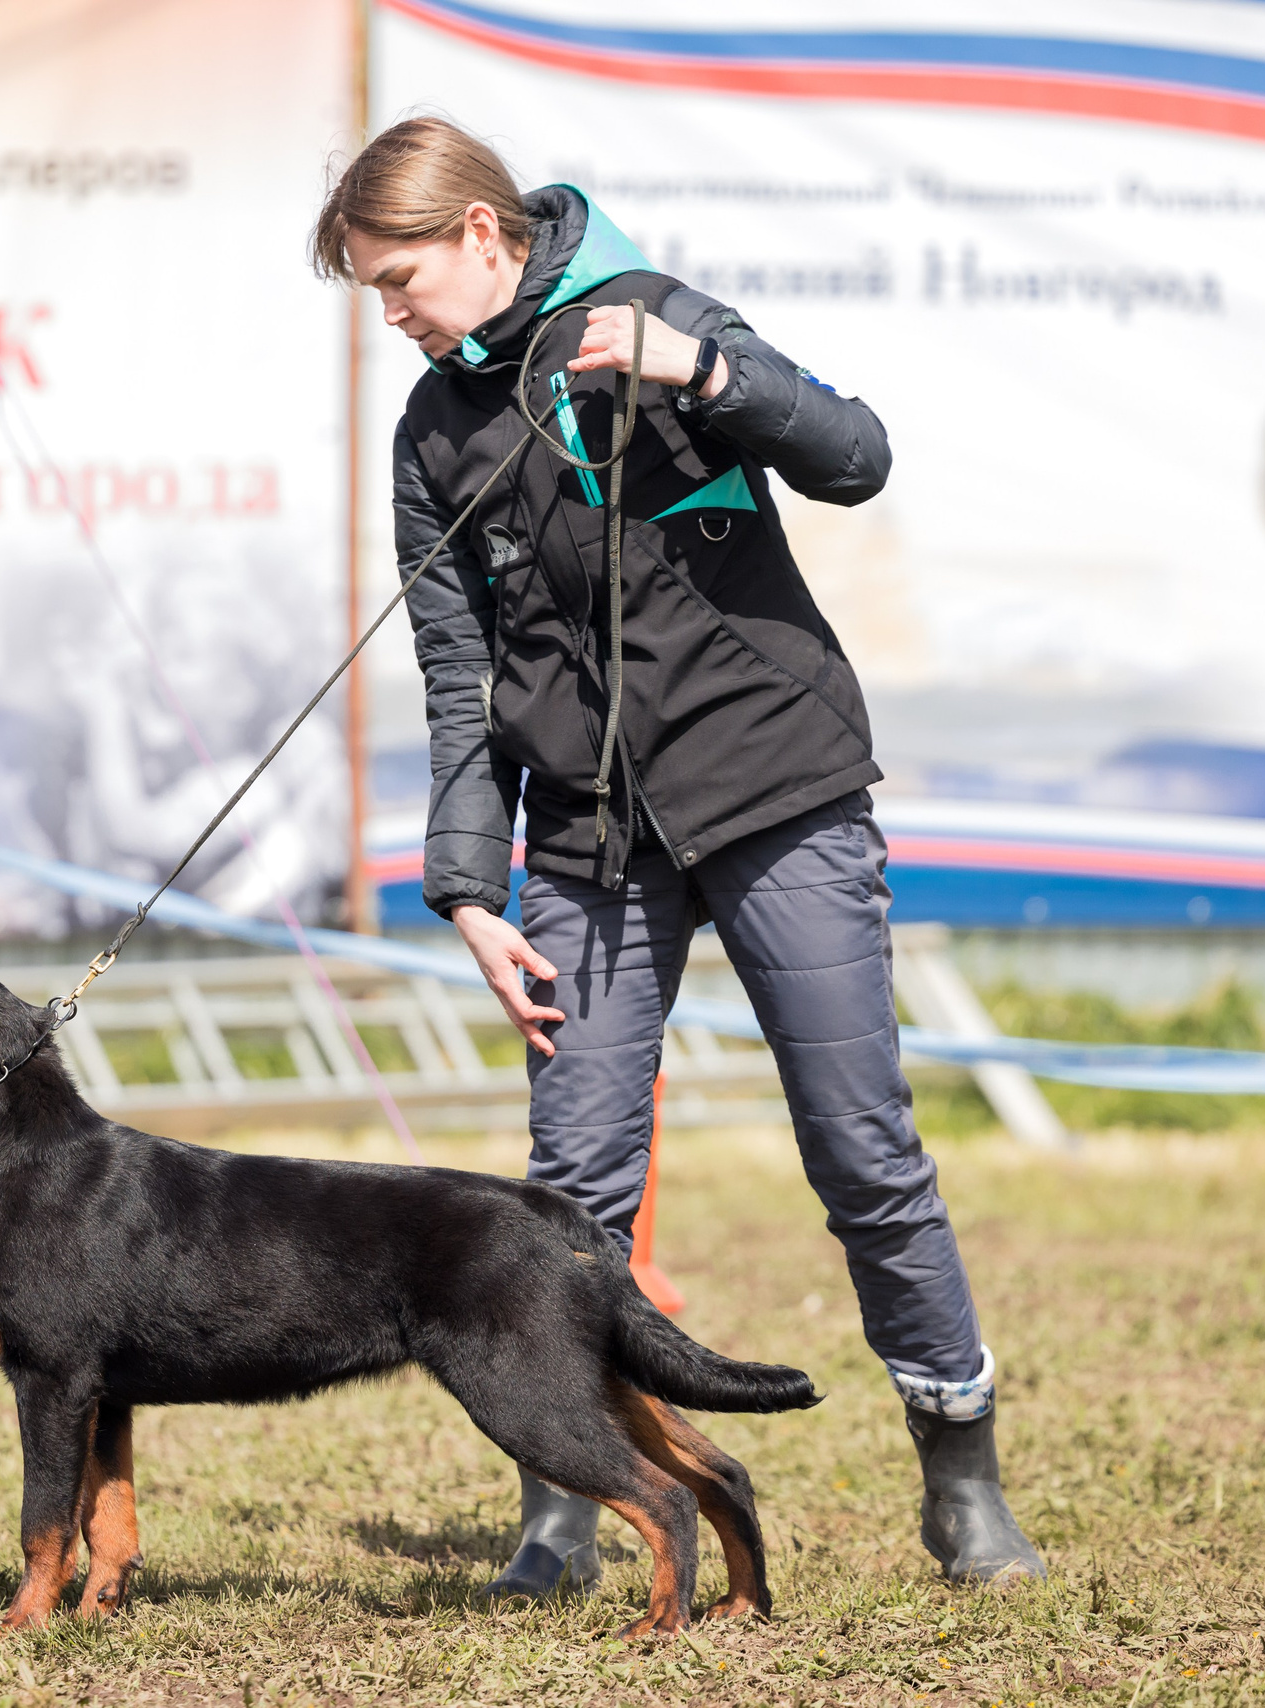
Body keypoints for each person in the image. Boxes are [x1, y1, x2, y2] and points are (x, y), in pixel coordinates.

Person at [311, 118, 1043, 1592]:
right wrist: (467, 888)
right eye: (368, 290)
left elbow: (859, 457)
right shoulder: (429, 433)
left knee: (862, 1150)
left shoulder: (666, 321)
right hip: (584, 842)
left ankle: (958, 1466)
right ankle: (565, 1503)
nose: (388, 310)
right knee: (568, 1187)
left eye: (398, 278)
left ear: (478, 233)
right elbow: (460, 681)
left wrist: (701, 375)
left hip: (779, 789)